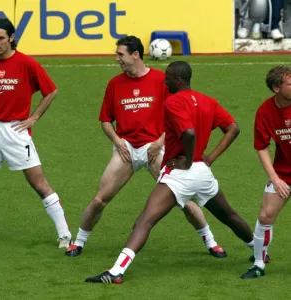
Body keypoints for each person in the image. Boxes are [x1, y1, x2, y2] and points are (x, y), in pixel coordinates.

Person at [84, 61, 255, 284]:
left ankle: (116, 271)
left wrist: (187, 161)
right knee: (229, 216)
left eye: (169, 78)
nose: (165, 82)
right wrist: (209, 158)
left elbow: (189, 133)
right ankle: (260, 251)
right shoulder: (207, 100)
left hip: (180, 173)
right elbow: (234, 128)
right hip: (203, 173)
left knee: (144, 222)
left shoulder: (172, 102)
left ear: (179, 81)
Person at [65, 36, 226, 258]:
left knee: (184, 199)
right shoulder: (114, 84)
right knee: (100, 199)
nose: (117, 59)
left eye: (120, 54)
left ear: (135, 55)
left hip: (156, 148)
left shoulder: (163, 81)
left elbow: (180, 116)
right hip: (126, 148)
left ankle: (210, 241)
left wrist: (159, 142)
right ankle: (79, 242)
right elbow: (105, 120)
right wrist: (117, 140)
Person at [0, 18, 71, 248]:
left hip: (16, 131)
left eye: (1, 38)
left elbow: (50, 91)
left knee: (39, 184)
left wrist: (34, 117)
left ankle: (64, 234)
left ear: (12, 38)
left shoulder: (26, 63)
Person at [241, 66, 291, 279]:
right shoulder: (265, 111)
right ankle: (259, 265)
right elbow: (261, 147)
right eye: (290, 83)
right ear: (276, 88)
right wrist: (274, 178)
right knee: (265, 216)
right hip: (283, 172)